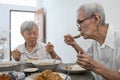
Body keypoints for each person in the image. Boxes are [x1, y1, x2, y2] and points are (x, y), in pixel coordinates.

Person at [64, 2, 120, 80]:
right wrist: (74, 44)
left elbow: (93, 64)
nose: (78, 29)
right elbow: (88, 59)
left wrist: (96, 67)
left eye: (80, 22)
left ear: (96, 19)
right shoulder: (95, 42)